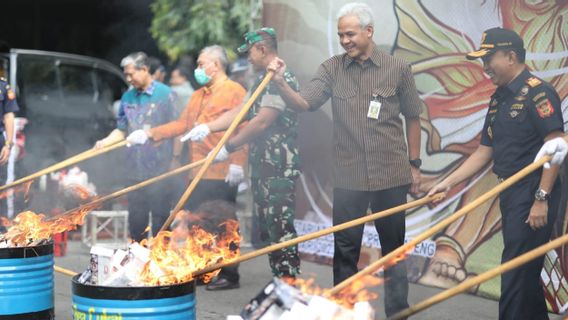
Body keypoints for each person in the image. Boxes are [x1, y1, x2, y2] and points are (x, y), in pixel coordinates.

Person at [267, 3, 421, 316]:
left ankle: (397, 311)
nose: (345, 40)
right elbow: (304, 103)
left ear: (369, 31)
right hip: (349, 175)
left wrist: (414, 166)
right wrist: (281, 82)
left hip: (390, 173)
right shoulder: (331, 68)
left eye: (350, 33)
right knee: (346, 248)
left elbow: (414, 118)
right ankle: (344, 309)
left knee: (393, 249)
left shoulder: (397, 69)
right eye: (340, 35)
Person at [427, 27, 565, 320]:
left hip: (534, 191)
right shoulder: (499, 98)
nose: (485, 67)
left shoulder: (539, 92)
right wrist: (445, 184)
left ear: (511, 56)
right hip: (512, 192)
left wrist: (542, 198)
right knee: (524, 274)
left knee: (515, 270)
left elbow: (557, 146)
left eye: (489, 58)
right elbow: (483, 151)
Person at [183, 27, 302, 280]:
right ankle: (278, 283)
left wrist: (228, 147)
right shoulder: (261, 80)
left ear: (261, 49)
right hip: (262, 167)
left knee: (280, 229)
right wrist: (207, 127)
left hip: (278, 168)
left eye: (249, 52)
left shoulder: (281, 78)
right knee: (269, 231)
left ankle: (288, 284)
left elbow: (261, 122)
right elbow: (241, 112)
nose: (247, 58)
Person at [127, 45, 248, 290]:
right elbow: (182, 124)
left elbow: (243, 128)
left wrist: (238, 163)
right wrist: (150, 134)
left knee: (224, 223)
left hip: (222, 170)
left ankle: (229, 274)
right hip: (197, 170)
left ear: (216, 65)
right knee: (197, 223)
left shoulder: (235, 91)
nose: (198, 69)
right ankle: (203, 268)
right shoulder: (198, 94)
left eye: (201, 64)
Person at [95, 52, 176, 242]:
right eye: (126, 75)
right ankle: (138, 260)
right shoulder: (127, 98)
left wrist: (175, 159)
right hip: (134, 170)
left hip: (160, 168)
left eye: (131, 74)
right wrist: (105, 142)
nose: (128, 79)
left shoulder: (165, 94)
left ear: (145, 69)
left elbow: (178, 127)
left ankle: (161, 263)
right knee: (136, 221)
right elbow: (121, 129)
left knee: (161, 220)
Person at [0, 77, 18, 222]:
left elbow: (9, 115)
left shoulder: (3, 86)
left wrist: (8, 144)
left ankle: (0, 231)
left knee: (0, 189)